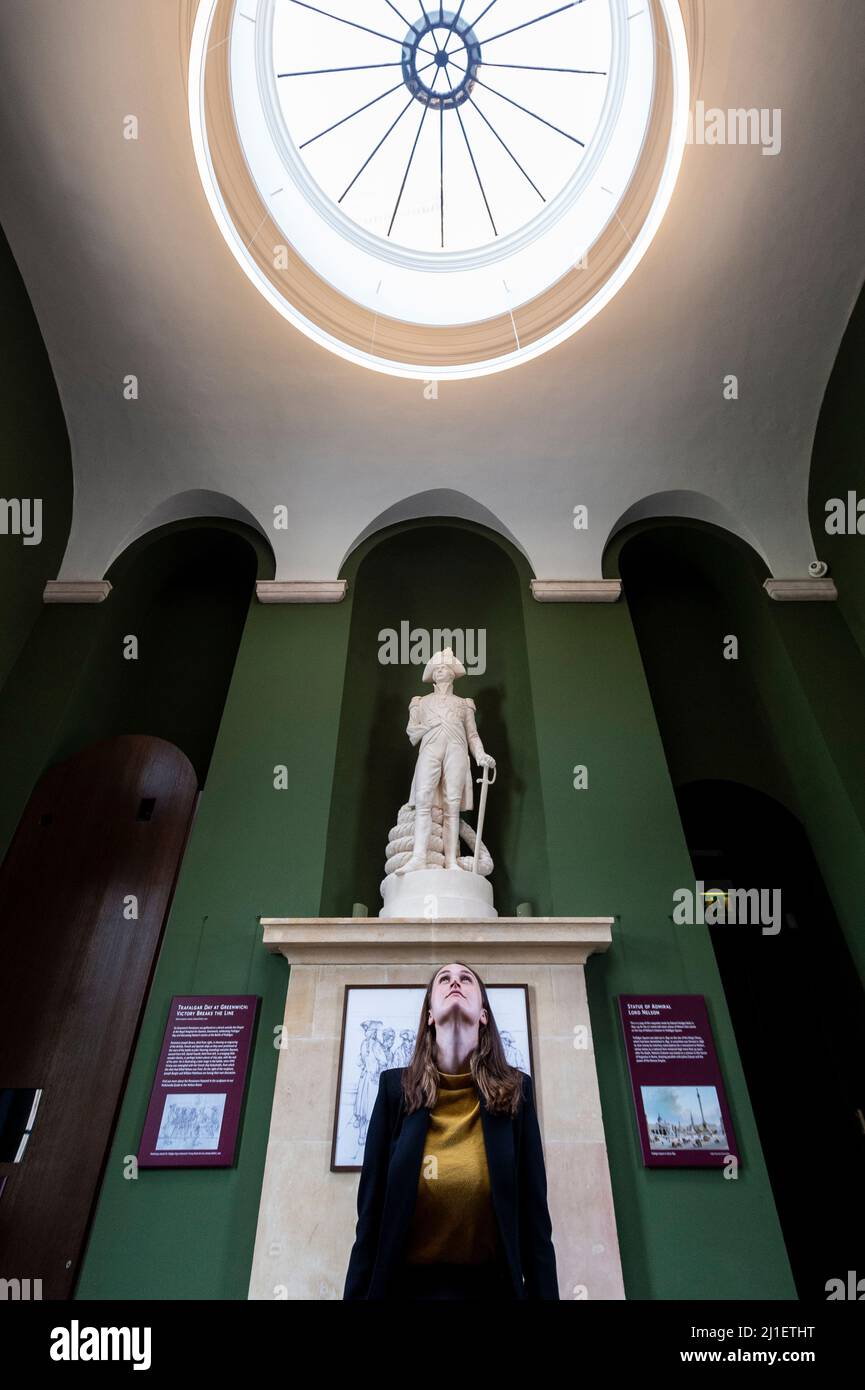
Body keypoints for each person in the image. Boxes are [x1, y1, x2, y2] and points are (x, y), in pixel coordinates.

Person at [343, 960, 560, 1300]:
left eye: (466, 979)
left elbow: (535, 1222)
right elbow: (370, 1219)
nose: (454, 982)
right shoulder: (393, 1090)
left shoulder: (517, 1090)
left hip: (493, 1290)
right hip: (406, 1289)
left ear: (483, 1014)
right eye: (444, 978)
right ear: (429, 1014)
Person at [397, 648, 495, 874]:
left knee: (452, 805)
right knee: (423, 800)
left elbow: (472, 735)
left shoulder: (463, 704)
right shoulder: (420, 702)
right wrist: (427, 727)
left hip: (456, 750)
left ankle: (451, 861)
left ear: (452, 673)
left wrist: (480, 755)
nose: (440, 671)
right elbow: (411, 732)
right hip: (430, 749)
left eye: (444, 668)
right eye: (437, 669)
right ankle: (419, 857)